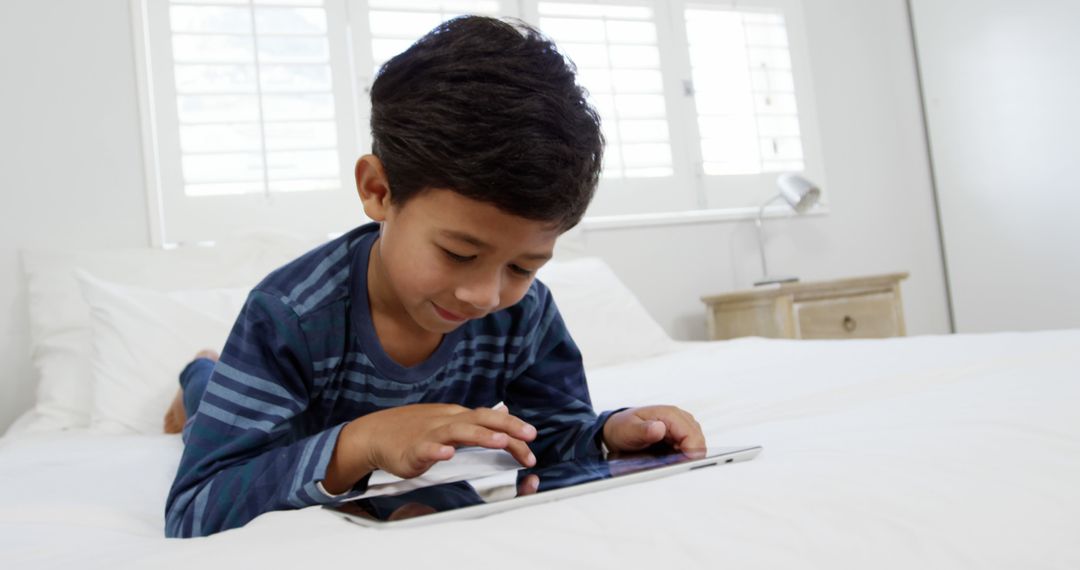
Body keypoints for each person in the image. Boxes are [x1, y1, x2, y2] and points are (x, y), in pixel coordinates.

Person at [164, 15, 705, 539]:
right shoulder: (290, 316)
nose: (484, 295)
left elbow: (554, 436)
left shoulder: (524, 315)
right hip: (294, 431)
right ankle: (198, 372)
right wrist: (364, 441)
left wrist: (612, 434)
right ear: (378, 192)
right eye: (457, 252)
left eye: (521, 267)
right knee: (212, 399)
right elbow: (195, 507)